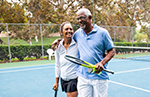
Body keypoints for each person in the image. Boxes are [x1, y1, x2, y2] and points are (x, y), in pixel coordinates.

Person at [52, 8, 115, 97]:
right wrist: (59, 40)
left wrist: (102, 63)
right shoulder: (77, 34)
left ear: (90, 17)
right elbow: (67, 36)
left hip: (99, 77)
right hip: (83, 77)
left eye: (82, 18)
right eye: (78, 19)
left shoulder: (103, 33)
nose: (79, 21)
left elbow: (112, 51)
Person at [53, 22, 79, 97]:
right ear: (61, 32)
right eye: (66, 29)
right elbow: (57, 65)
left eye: (71, 29)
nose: (69, 31)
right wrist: (57, 82)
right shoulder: (58, 46)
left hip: (74, 78)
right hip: (63, 79)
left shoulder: (77, 44)